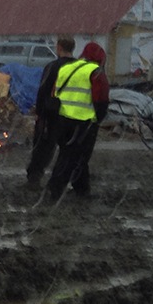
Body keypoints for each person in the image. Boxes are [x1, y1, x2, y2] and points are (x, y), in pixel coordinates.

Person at [43, 41, 110, 203]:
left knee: (69, 154)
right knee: (75, 157)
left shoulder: (66, 68)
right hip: (84, 122)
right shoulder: (96, 73)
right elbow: (101, 100)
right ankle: (54, 189)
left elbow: (54, 93)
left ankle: (82, 189)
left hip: (62, 120)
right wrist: (97, 120)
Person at [24, 36, 77, 190]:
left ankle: (34, 178)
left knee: (43, 147)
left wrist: (39, 113)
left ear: (59, 47)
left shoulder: (53, 67)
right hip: (74, 114)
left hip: (52, 114)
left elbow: (44, 90)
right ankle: (60, 182)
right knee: (67, 150)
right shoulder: (79, 68)